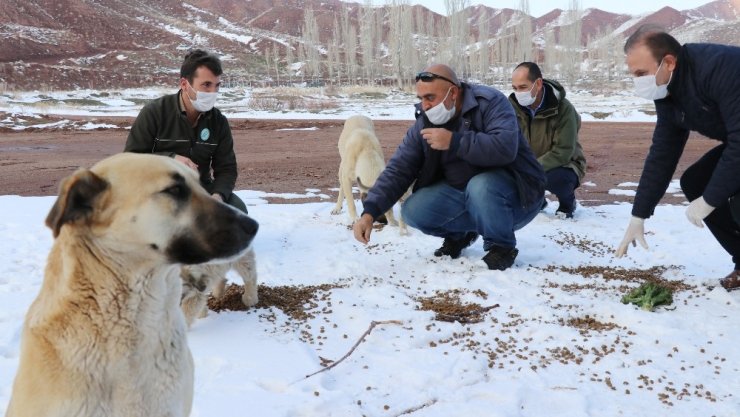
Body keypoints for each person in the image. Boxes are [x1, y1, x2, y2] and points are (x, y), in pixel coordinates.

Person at [353, 64, 546, 270]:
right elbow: (400, 168)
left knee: (480, 185)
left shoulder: (490, 102)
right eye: (421, 99)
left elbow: (505, 147)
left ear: (453, 92)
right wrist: (370, 212)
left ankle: (501, 246)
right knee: (412, 210)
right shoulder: (426, 122)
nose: (425, 106)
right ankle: (459, 236)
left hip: (519, 196)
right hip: (469, 196)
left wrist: (455, 142)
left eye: (430, 98)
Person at [615, 25, 740, 291]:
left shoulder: (721, 69)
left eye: (641, 73)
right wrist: (639, 214)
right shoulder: (668, 92)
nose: (638, 81)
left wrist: (711, 200)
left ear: (669, 62)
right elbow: (663, 153)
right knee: (696, 183)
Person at [125, 49, 247, 213]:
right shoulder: (155, 112)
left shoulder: (218, 121)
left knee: (238, 212)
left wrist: (218, 197)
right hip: (159, 188)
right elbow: (130, 160)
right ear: (184, 84)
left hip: (200, 189)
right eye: (206, 85)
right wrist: (171, 159)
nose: (213, 92)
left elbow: (226, 169)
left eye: (217, 85)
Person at [509, 62, 586, 218]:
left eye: (523, 87)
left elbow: (563, 151)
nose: (518, 93)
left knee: (557, 179)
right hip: (528, 164)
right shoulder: (511, 108)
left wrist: (531, 168)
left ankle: (567, 203)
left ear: (538, 84)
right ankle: (537, 200)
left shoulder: (563, 109)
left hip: (564, 164)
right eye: (515, 88)